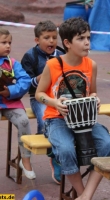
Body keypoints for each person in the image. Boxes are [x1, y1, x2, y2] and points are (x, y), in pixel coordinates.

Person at [35, 17, 110, 200]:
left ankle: (87, 194)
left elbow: (92, 93)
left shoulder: (91, 65)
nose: (87, 42)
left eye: (88, 37)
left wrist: (95, 99)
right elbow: (39, 94)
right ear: (67, 43)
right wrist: (54, 102)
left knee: (108, 145)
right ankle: (82, 194)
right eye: (81, 38)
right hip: (56, 119)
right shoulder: (53, 65)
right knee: (65, 149)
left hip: (84, 120)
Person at [21, 20, 65, 184]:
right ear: (37, 40)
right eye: (47, 37)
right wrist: (42, 76)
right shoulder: (30, 56)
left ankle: (64, 151)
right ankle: (54, 156)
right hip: (39, 97)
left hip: (59, 96)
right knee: (45, 119)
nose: (52, 41)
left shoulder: (61, 55)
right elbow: (25, 84)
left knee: (68, 121)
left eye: (54, 37)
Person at [0, 28, 35, 179]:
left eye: (9, 43)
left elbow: (25, 80)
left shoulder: (12, 63)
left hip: (9, 103)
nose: (8, 46)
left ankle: (25, 159)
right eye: (3, 42)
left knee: (24, 120)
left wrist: (11, 91)